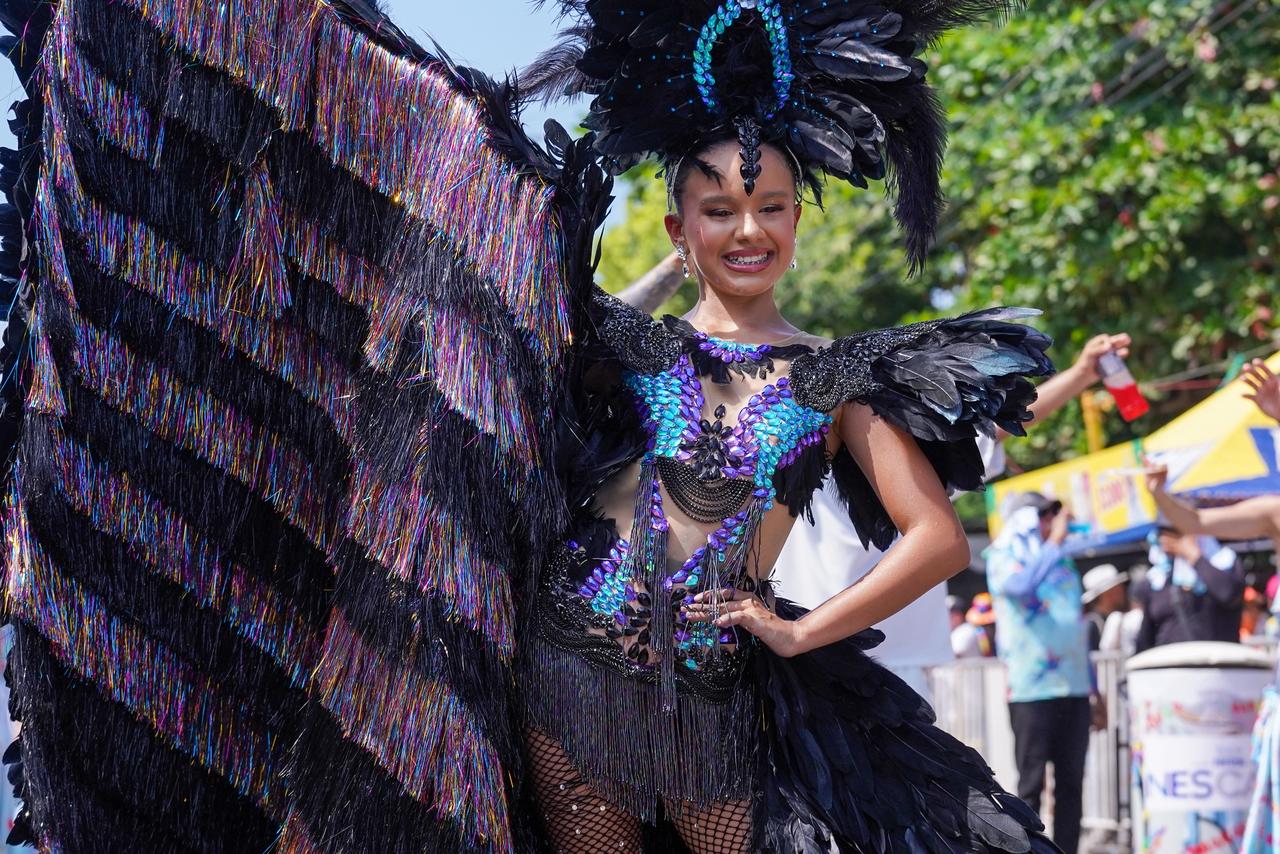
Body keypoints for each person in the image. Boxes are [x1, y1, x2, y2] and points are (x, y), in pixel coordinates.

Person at [0, 1, 1062, 852]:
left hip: (708, 700)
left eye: (772, 207)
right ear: (677, 224)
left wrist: (793, 629)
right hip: (561, 681)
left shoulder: (835, 376)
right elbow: (465, 291)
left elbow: (937, 540)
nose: (748, 230)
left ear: (796, 217)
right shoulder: (623, 347)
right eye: (720, 210)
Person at [775, 332, 1132, 696]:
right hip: (812, 660)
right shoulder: (780, 462)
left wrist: (1083, 374)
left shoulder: (909, 465)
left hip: (900, 670)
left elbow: (996, 426)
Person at [985, 493, 1101, 854]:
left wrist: (1095, 687)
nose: (1055, 520)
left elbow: (1074, 627)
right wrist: (1052, 544)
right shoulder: (1003, 555)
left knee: (1071, 784)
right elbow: (1019, 588)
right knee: (1031, 783)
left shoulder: (1062, 557)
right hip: (1030, 689)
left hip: (1075, 686)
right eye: (1047, 513)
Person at [1133, 526, 1245, 651]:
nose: (1164, 539)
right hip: (1169, 665)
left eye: (1174, 532)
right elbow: (1146, 637)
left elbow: (1228, 593)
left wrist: (1193, 555)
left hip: (1217, 663)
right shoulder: (1157, 579)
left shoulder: (1225, 562)